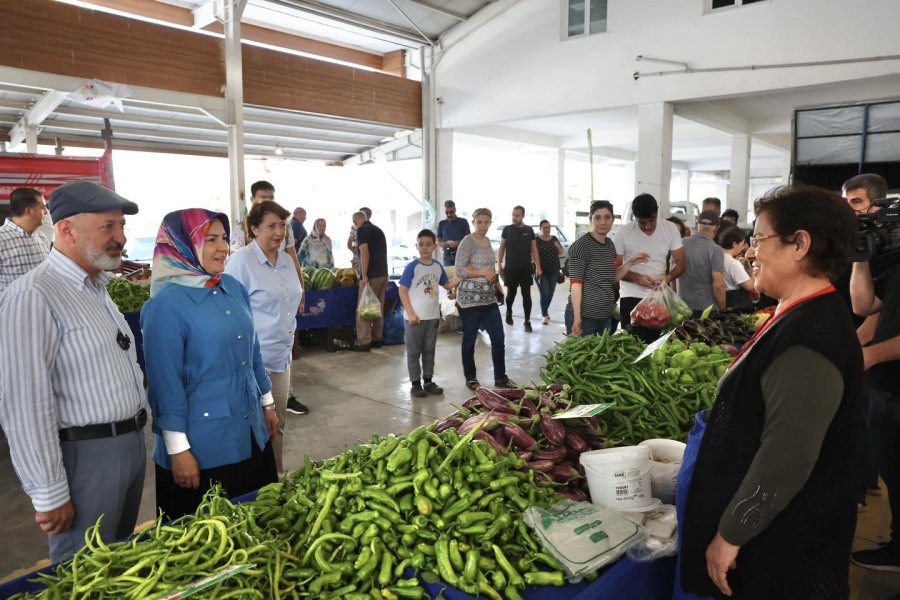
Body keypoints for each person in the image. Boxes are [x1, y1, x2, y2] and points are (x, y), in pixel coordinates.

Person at [681, 185, 864, 599]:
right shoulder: (800, 312)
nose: (750, 253)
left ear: (799, 244)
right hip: (778, 531)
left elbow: (787, 457)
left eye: (760, 240)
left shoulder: (810, 339)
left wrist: (730, 535)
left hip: (784, 545)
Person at [0, 180, 146, 563]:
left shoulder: (97, 289)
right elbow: (24, 403)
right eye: (108, 227)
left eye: (122, 227)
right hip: (86, 458)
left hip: (127, 446)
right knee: (83, 573)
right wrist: (48, 492)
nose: (120, 238)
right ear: (65, 229)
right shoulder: (34, 295)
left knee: (116, 567)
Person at [141, 209, 279, 520]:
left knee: (260, 522)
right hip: (204, 449)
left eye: (225, 238)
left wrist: (267, 402)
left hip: (249, 430)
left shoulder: (232, 288)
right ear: (182, 245)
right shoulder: (165, 306)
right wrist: (177, 449)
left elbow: (253, 352)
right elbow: (165, 384)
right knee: (211, 537)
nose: (223, 247)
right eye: (211, 239)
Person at [226, 200, 306, 472]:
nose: (278, 231)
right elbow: (230, 314)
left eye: (282, 225)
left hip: (281, 359)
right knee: (253, 428)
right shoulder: (240, 263)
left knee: (277, 425)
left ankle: (276, 477)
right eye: (271, 226)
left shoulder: (285, 260)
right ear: (253, 229)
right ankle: (253, 486)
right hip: (252, 361)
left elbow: (292, 299)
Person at [850, 224, 900, 573]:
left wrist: (872, 355)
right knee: (893, 476)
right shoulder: (896, 265)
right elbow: (863, 303)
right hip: (884, 390)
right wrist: (861, 258)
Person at [565, 201, 648, 336]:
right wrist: (577, 317)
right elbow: (576, 286)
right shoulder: (581, 247)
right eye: (597, 217)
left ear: (612, 220)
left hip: (605, 318)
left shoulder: (609, 245)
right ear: (590, 219)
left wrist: (630, 263)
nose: (602, 222)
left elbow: (610, 278)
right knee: (584, 356)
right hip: (585, 319)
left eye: (607, 217)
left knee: (601, 356)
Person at [613, 193, 686, 342]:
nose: (647, 226)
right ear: (635, 217)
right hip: (631, 297)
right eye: (641, 222)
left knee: (655, 343)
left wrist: (668, 277)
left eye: (651, 221)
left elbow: (681, 261)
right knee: (632, 344)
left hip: (659, 297)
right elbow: (613, 269)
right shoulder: (624, 233)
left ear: (657, 211)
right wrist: (636, 278)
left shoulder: (670, 228)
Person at [398, 229, 460, 398]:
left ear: (434, 246)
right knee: (413, 352)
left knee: (429, 351)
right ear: (416, 246)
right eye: (421, 244)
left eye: (428, 244)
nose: (424, 248)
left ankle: (428, 381)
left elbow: (446, 285)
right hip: (414, 319)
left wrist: (462, 276)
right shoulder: (412, 267)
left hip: (432, 317)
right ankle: (415, 384)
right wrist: (410, 313)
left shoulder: (437, 266)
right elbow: (402, 291)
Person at [455, 208, 512, 390]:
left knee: (498, 338)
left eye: (486, 222)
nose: (483, 226)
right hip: (469, 300)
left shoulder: (488, 241)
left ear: (490, 222)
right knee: (470, 340)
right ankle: (471, 377)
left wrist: (498, 286)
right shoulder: (467, 242)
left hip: (488, 300)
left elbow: (491, 270)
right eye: (479, 222)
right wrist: (482, 272)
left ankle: (500, 378)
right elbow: (459, 270)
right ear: (473, 222)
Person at [231, 181, 301, 277]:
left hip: (282, 279)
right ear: (252, 199)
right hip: (255, 281)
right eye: (263, 198)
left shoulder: (286, 226)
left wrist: (301, 289)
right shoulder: (241, 228)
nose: (268, 201)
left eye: (271, 198)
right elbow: (235, 262)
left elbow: (293, 260)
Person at [498, 205, 541, 332]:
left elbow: (534, 249)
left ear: (522, 216)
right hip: (511, 268)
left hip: (526, 268)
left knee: (526, 295)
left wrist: (538, 266)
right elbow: (502, 247)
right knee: (511, 294)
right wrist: (499, 263)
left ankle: (527, 321)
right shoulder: (507, 230)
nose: (514, 217)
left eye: (517, 215)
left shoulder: (529, 230)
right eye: (513, 215)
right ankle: (509, 312)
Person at [0, 187, 51, 294]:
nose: (46, 213)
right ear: (28, 211)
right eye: (42, 208)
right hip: (12, 310)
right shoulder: (2, 239)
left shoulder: (42, 238)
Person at [352, 210, 388, 351]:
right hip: (383, 274)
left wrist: (364, 274)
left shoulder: (361, 231)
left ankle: (363, 341)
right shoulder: (379, 230)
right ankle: (377, 338)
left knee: (365, 308)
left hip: (371, 275)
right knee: (377, 308)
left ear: (355, 223)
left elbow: (364, 252)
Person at [677, 210, 726, 315]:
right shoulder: (715, 250)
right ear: (717, 228)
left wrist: (676, 300)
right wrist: (723, 310)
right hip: (706, 310)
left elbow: (673, 275)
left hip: (682, 308)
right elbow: (718, 285)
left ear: (696, 224)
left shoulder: (680, 244)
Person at [717, 225, 759, 312]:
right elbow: (750, 286)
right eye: (742, 244)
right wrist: (751, 269)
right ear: (734, 244)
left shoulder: (716, 258)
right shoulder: (733, 263)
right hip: (735, 303)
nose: (743, 247)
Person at [535, 220, 563, 325]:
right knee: (544, 293)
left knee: (550, 293)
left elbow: (561, 252)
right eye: (544, 227)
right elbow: (532, 255)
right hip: (541, 271)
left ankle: (545, 311)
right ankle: (544, 315)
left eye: (548, 227)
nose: (547, 229)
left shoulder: (554, 238)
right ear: (540, 228)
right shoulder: (536, 240)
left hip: (554, 270)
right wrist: (537, 267)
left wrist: (558, 246)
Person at [436, 200, 470, 268]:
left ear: (455, 210)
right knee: (448, 276)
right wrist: (446, 244)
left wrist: (458, 243)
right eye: (447, 212)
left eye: (451, 212)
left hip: (462, 256)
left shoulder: (463, 222)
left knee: (462, 277)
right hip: (447, 257)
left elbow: (469, 239)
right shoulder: (441, 224)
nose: (449, 214)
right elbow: (438, 241)